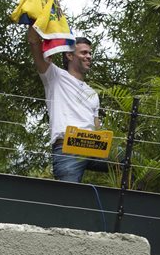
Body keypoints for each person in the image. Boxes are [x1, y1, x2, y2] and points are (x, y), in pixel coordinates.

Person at [27, 24, 105, 182]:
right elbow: (34, 42)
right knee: (68, 197)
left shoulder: (93, 93)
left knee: (133, 160)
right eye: (84, 52)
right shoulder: (54, 76)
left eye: (90, 53)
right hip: (68, 147)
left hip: (93, 145)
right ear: (69, 56)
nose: (89, 56)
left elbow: (96, 126)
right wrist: (37, 18)